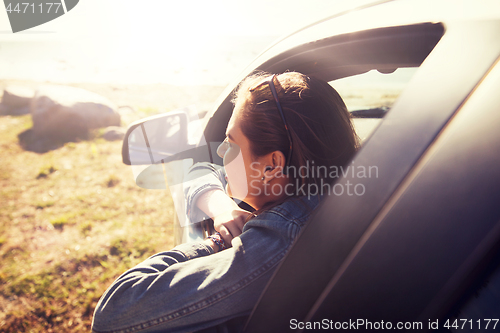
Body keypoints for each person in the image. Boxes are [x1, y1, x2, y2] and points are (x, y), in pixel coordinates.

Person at [92, 72, 359, 333]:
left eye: (231, 143)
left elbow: (114, 311)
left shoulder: (277, 242)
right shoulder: (330, 190)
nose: (221, 151)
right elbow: (202, 171)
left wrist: (218, 241)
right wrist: (221, 209)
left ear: (272, 165)